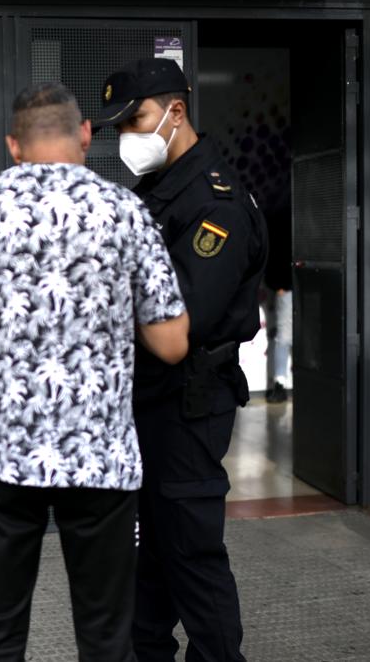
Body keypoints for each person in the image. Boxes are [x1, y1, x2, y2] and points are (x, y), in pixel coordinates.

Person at [0, 82, 190, 661]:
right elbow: (171, 343)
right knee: (105, 637)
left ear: (14, 145)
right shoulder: (126, 210)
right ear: (87, 135)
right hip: (100, 458)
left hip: (1, 456)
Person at [92, 59, 267, 662]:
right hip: (146, 396)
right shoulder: (158, 192)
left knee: (189, 547)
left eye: (135, 120)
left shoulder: (212, 202)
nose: (127, 139)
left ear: (176, 111)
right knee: (145, 545)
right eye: (118, 127)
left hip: (189, 399)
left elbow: (180, 320)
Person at [262, 188, 293, 403]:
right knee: (284, 336)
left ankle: (280, 383)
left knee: (283, 336)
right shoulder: (284, 217)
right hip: (289, 283)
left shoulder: (277, 216)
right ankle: (280, 383)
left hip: (287, 284)